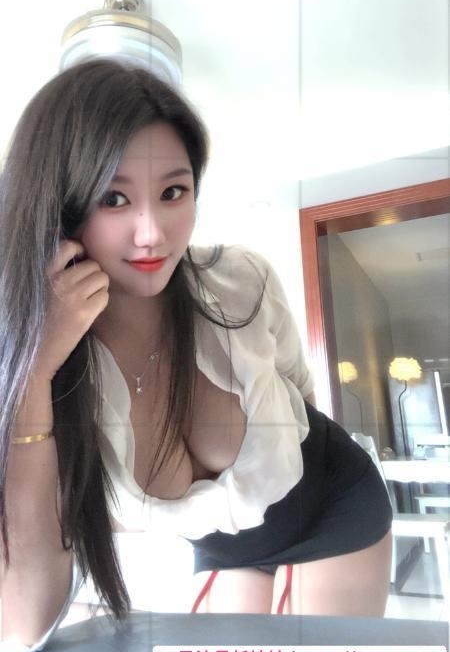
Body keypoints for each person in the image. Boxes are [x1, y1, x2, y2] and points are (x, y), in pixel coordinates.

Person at [0, 59, 392, 649]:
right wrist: (35, 366)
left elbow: (303, 395)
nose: (152, 232)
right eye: (113, 197)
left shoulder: (241, 280)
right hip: (224, 549)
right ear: (58, 205)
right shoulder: (40, 368)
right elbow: (23, 622)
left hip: (335, 505)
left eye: (173, 192)